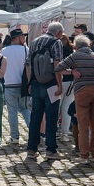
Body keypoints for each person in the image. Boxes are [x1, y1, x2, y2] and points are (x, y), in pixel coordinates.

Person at [55, 35, 94, 161]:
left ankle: (84, 154)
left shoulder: (75, 56)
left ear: (76, 47)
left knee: (83, 124)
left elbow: (58, 68)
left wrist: (72, 72)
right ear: (89, 46)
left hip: (82, 91)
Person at [26, 22, 65, 161]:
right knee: (51, 117)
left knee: (35, 117)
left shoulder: (35, 41)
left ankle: (31, 149)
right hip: (51, 84)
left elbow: (28, 64)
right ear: (59, 32)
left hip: (36, 83)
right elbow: (57, 65)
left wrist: (29, 82)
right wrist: (60, 85)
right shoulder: (56, 42)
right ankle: (51, 149)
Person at [1, 28, 31, 144]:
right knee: (25, 110)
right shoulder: (25, 50)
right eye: (22, 37)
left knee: (12, 112)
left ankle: (14, 137)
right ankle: (33, 133)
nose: (24, 39)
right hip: (22, 85)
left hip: (9, 84)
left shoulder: (4, 51)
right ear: (16, 38)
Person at [59, 34, 76, 138]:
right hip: (72, 82)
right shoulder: (72, 52)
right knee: (66, 107)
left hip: (60, 81)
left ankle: (54, 128)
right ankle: (65, 131)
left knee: (57, 107)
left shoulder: (58, 52)